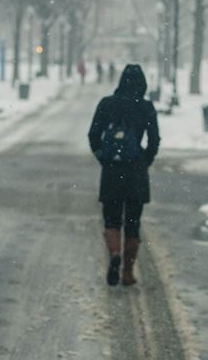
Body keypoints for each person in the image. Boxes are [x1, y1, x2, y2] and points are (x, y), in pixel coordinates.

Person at [88, 65, 160, 286]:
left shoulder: (107, 104)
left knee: (111, 220)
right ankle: (127, 272)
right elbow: (154, 140)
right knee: (132, 224)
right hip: (135, 174)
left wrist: (105, 158)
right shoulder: (146, 107)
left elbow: (93, 135)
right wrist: (143, 160)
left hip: (112, 172)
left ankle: (114, 255)